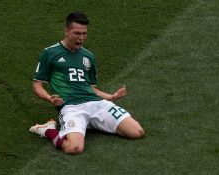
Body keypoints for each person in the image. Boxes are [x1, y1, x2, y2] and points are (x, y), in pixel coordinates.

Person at [29, 12, 144, 154]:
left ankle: (89, 124)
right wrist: (49, 99)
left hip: (97, 104)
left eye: (84, 34)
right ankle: (48, 130)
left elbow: (92, 88)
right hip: (71, 108)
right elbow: (37, 85)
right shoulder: (50, 53)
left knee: (136, 132)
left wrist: (112, 97)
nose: (81, 38)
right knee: (74, 148)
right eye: (77, 33)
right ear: (66, 31)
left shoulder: (88, 56)